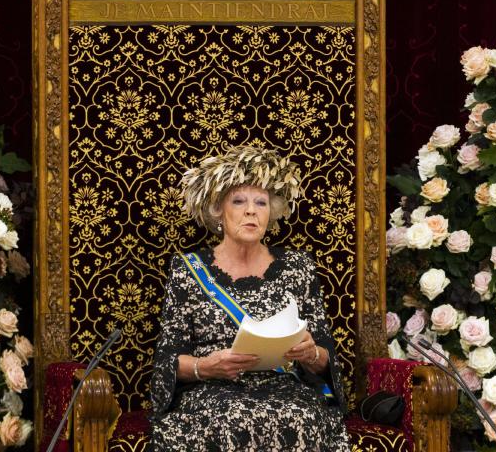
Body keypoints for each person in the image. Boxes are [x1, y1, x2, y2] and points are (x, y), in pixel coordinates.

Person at [150, 145, 350, 451]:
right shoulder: (188, 270)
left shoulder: (299, 267)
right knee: (232, 419)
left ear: (272, 213)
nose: (251, 211)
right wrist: (205, 366)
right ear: (218, 210)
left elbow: (325, 356)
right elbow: (167, 361)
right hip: (214, 391)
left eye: (261, 202)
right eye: (239, 201)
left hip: (286, 389)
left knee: (299, 417)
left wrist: (311, 355)